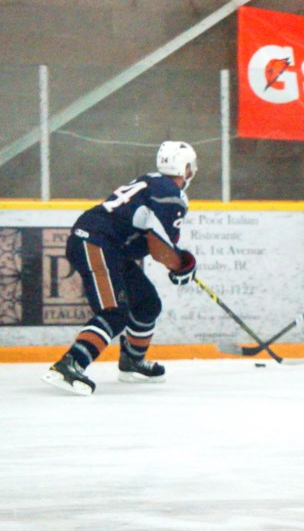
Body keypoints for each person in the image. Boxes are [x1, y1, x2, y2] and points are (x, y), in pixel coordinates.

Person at [41, 141, 199, 396]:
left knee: (146, 303)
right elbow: (159, 248)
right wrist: (181, 265)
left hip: (109, 247)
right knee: (114, 312)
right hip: (97, 243)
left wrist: (179, 262)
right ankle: (69, 365)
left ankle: (132, 362)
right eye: (190, 167)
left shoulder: (151, 180)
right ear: (186, 168)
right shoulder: (171, 195)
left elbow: (155, 239)